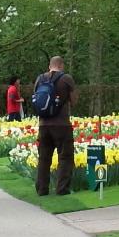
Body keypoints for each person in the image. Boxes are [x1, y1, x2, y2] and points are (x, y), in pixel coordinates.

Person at [33, 56, 77, 197]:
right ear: (61, 65)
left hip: (44, 125)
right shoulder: (66, 79)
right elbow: (74, 101)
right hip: (61, 124)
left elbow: (36, 99)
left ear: (49, 65)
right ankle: (62, 189)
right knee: (65, 157)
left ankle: (42, 189)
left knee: (44, 158)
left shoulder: (40, 79)